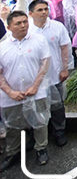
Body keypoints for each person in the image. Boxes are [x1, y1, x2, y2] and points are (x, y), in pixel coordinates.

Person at [0, 10, 51, 170]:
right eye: (18, 23)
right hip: (10, 96)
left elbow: (45, 63)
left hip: (36, 91)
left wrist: (35, 86)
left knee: (40, 122)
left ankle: (41, 148)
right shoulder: (2, 47)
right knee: (12, 126)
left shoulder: (39, 40)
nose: (23, 25)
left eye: (25, 22)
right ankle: (12, 152)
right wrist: (10, 92)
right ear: (9, 27)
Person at [28, 0, 71, 147]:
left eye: (46, 9)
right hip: (34, 79)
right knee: (37, 107)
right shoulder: (27, 30)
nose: (44, 12)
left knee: (57, 106)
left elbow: (65, 47)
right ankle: (37, 136)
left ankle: (59, 131)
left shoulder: (57, 27)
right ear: (31, 13)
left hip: (55, 73)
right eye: (40, 10)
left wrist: (65, 68)